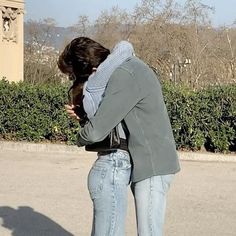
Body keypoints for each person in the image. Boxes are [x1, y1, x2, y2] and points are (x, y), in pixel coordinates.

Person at [59, 37, 180, 236]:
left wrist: (80, 137)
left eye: (75, 76)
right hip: (149, 161)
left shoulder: (125, 74)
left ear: (89, 68)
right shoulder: (127, 67)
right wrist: (83, 117)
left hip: (153, 163)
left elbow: (98, 130)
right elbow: (113, 123)